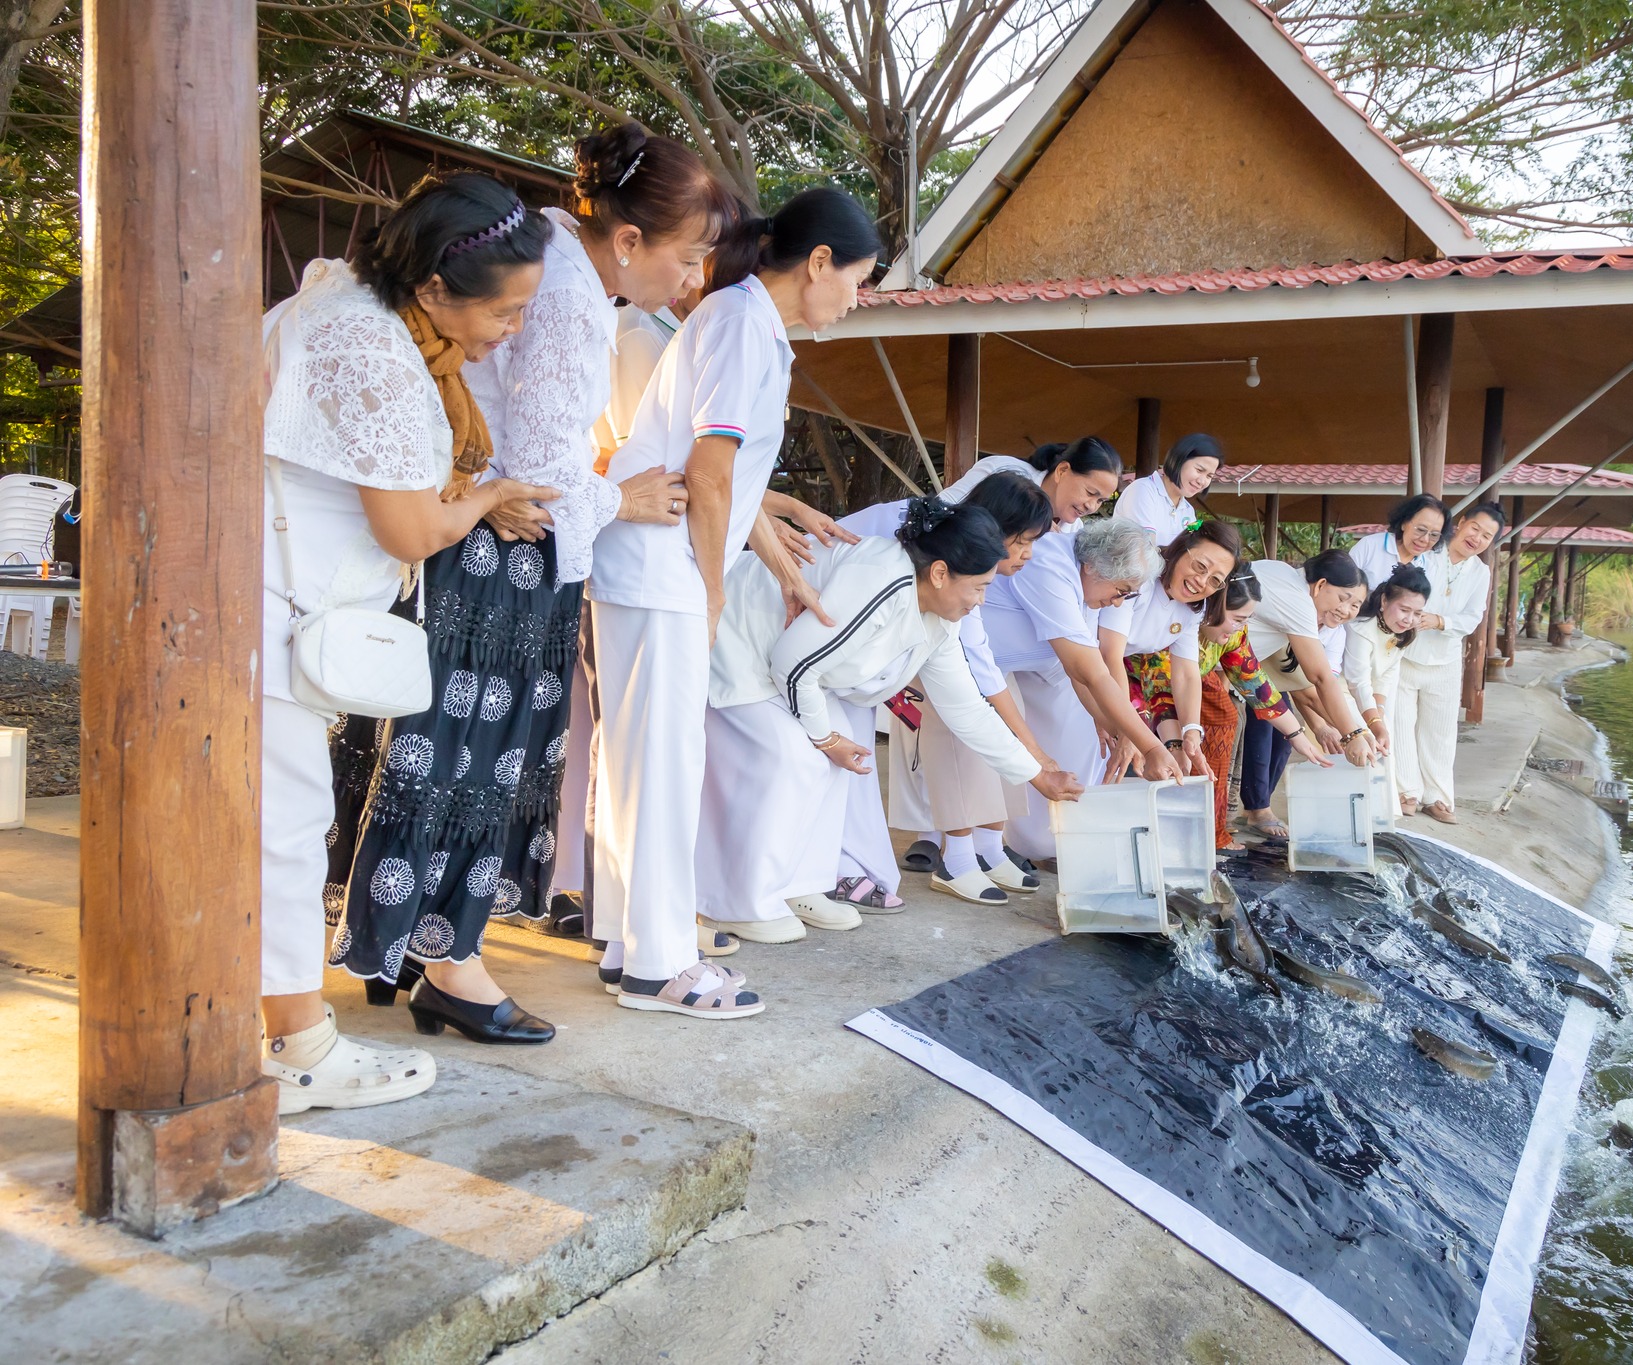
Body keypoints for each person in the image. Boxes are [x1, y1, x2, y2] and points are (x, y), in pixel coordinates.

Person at [331, 127, 738, 1044]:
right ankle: (449, 961)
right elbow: (544, 474)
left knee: (422, 746)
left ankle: (400, 947)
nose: (689, 281)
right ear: (629, 241)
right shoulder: (572, 295)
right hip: (503, 558)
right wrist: (624, 497)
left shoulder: (545, 249)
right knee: (471, 757)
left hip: (474, 533)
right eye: (685, 256)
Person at [260, 175, 558, 1107]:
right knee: (286, 829)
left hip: (270, 589)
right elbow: (411, 529)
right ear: (434, 289)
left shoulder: (343, 302)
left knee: (273, 820)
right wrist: (488, 497)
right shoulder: (376, 352)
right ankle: (300, 1045)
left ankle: (263, 1020)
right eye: (506, 311)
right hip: (272, 601)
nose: (512, 329)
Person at [586, 185, 880, 1015]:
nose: (854, 302)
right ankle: (659, 963)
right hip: (663, 565)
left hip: (652, 564)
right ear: (817, 262)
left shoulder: (743, 322)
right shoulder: (744, 322)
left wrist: (771, 568)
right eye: (855, 281)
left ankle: (628, 943)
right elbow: (711, 473)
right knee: (665, 763)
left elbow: (731, 480)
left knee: (642, 759)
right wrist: (713, 588)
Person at [696, 499, 1084, 947]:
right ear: (940, 573)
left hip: (782, 662)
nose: (980, 601)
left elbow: (968, 710)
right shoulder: (884, 579)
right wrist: (825, 738)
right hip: (738, 640)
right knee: (795, 759)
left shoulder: (939, 616)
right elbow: (794, 665)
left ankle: (799, 885)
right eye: (978, 587)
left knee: (835, 765)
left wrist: (1038, 776)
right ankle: (740, 902)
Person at [833, 474, 1060, 907]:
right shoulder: (943, 566)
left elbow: (980, 675)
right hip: (824, 644)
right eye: (1024, 540)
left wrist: (1034, 760)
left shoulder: (958, 575)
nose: (1029, 554)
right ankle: (954, 857)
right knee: (836, 761)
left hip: (860, 661)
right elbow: (802, 664)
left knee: (851, 766)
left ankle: (986, 847)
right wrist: (1038, 760)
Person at [982, 516, 1184, 861]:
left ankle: (987, 852)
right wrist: (1150, 746)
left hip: (995, 668)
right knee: (989, 756)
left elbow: (1082, 670)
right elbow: (1090, 672)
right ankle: (966, 857)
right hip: (968, 659)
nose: (1118, 603)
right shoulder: (1052, 566)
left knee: (1002, 758)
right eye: (1121, 591)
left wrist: (1112, 723)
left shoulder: (1087, 589)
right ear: (1095, 567)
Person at [1128, 568, 1329, 850]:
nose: (1240, 626)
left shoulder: (1233, 633)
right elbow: (1161, 692)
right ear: (1210, 608)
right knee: (1155, 753)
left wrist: (1297, 736)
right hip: (1134, 683)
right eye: (1237, 618)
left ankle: (1210, 827)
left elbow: (1255, 681)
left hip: (1192, 679)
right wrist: (1176, 744)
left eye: (1247, 620)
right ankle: (1165, 833)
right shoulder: (1174, 625)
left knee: (1223, 717)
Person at [1238, 549, 1376, 842]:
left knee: (1286, 732)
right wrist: (1352, 734)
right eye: (1342, 598)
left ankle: (1252, 810)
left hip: (1243, 664)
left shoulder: (1286, 576)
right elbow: (1319, 679)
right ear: (1321, 585)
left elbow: (1308, 686)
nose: (1346, 609)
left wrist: (1357, 730)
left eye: (1356, 605)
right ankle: (1231, 819)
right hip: (1222, 662)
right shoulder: (1299, 602)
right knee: (1242, 729)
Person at [1096, 517, 1244, 779]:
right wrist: (1129, 728)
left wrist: (1191, 731)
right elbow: (1110, 655)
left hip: (1104, 684)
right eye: (1199, 566)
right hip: (1083, 672)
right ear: (1181, 548)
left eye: (1214, 580)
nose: (1201, 582)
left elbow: (1187, 673)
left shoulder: (1191, 610)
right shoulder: (1141, 576)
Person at [1390, 502, 1504, 823]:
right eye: (1475, 529)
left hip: (1445, 660)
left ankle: (1437, 796)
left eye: (1487, 536)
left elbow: (1472, 617)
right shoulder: (1427, 554)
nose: (1477, 538)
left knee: (1439, 730)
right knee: (1400, 723)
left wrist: (1439, 620)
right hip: (1405, 653)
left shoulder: (1480, 572)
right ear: (1462, 523)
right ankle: (1406, 791)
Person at [1344, 563, 1433, 824]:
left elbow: (1385, 679)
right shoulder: (1361, 628)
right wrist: (1373, 721)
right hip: (1341, 692)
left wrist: (1379, 715)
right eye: (1404, 609)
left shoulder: (1402, 634)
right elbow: (1356, 681)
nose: (1409, 619)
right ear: (1384, 601)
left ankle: (1378, 818)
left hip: (1368, 698)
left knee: (1383, 737)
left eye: (1417, 613)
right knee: (1367, 738)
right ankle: (1358, 818)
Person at [943, 437, 1122, 530]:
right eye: (1090, 492)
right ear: (1062, 471)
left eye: (1101, 501)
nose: (1091, 506)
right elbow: (938, 510)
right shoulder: (1004, 470)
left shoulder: (1074, 531)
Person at [1111, 433, 1224, 546]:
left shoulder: (1188, 511)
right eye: (1199, 470)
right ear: (1177, 461)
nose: (1202, 481)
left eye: (1209, 476)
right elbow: (1144, 551)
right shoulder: (1143, 490)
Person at [1350, 493, 1447, 589]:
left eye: (1434, 535)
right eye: (1421, 530)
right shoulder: (1369, 546)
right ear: (1404, 523)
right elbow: (1344, 585)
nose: (1425, 539)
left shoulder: (1429, 568)